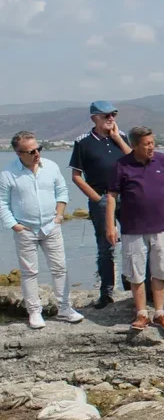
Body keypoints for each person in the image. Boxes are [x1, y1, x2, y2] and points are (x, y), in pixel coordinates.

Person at [1, 131, 83, 328]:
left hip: (50, 225)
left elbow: (62, 191)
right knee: (29, 272)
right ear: (19, 153)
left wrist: (59, 216)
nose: (37, 153)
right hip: (25, 229)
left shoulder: (51, 167)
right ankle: (34, 312)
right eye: (32, 151)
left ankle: (65, 308)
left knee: (60, 267)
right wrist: (14, 225)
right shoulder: (8, 174)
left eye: (39, 148)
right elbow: (2, 202)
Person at [105, 126, 164, 332]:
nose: (151, 147)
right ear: (134, 145)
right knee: (136, 272)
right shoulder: (121, 166)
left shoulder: (162, 160)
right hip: (133, 228)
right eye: (146, 144)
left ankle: (160, 313)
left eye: (152, 143)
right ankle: (141, 314)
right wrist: (110, 225)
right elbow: (112, 196)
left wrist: (156, 198)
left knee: (161, 270)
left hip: (161, 226)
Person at [69, 100, 131, 309]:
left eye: (113, 114)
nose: (111, 118)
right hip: (103, 198)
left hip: (127, 197)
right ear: (94, 118)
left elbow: (135, 161)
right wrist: (97, 198)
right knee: (106, 247)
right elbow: (76, 176)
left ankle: (133, 286)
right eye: (106, 115)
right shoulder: (83, 142)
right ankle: (106, 293)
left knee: (133, 242)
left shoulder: (121, 138)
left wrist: (117, 138)